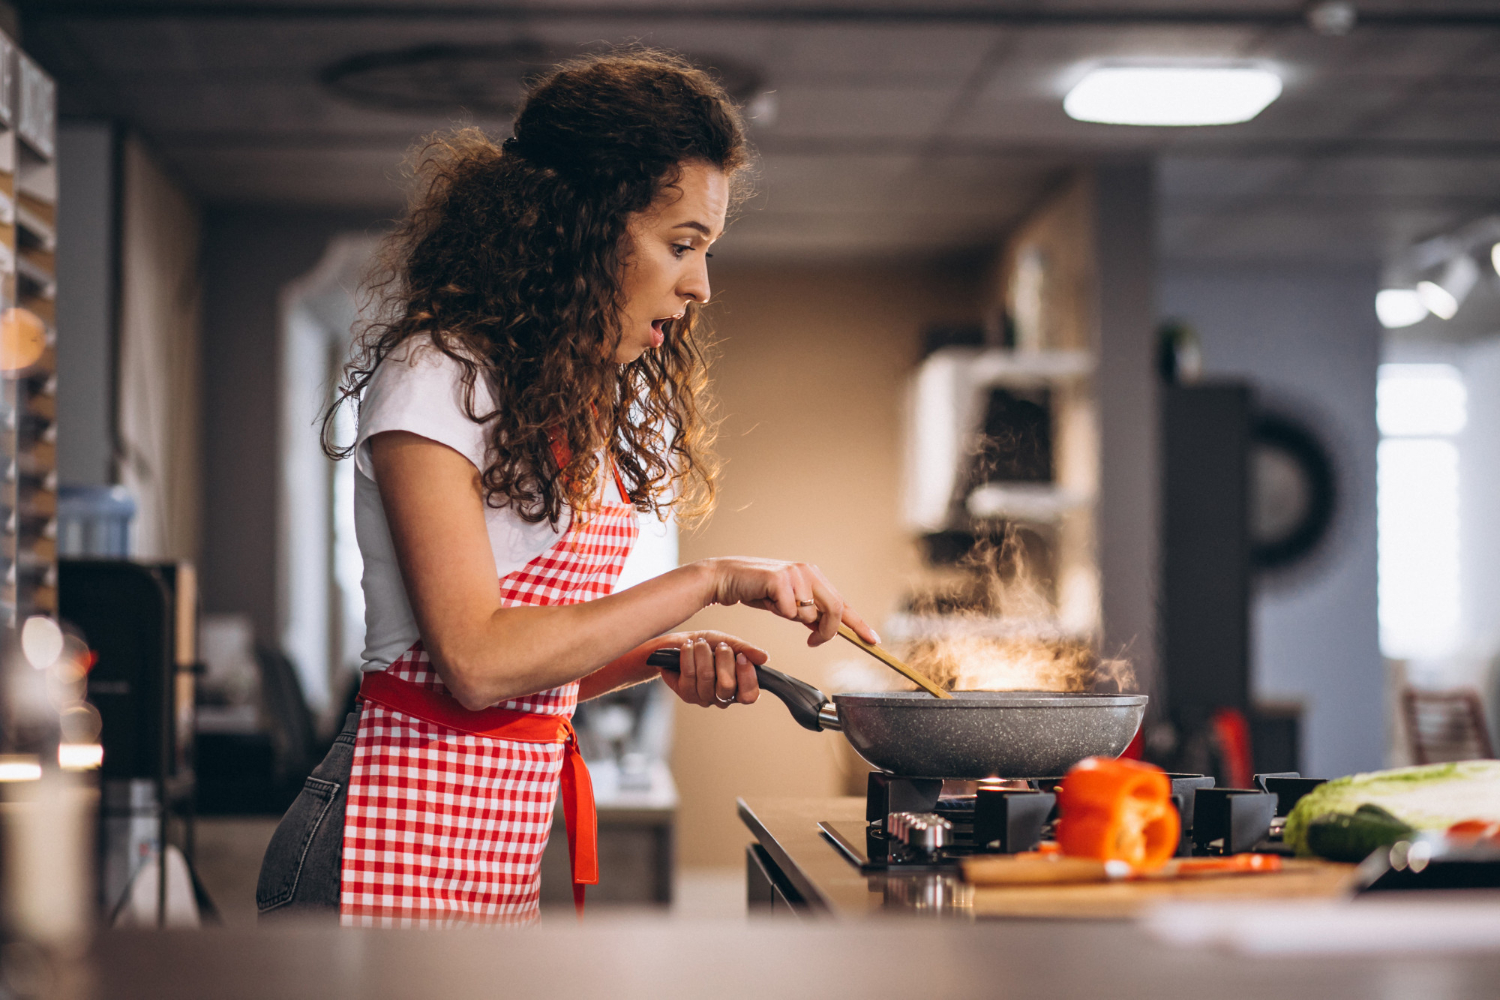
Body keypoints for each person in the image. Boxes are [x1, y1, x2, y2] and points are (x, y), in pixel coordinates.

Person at [256, 50, 878, 928]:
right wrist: (709, 579)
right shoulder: (439, 372)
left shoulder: (555, 395)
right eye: (682, 244)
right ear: (582, 226)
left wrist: (656, 658)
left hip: (487, 860)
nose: (700, 285)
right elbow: (474, 662)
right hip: (374, 855)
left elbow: (530, 672)